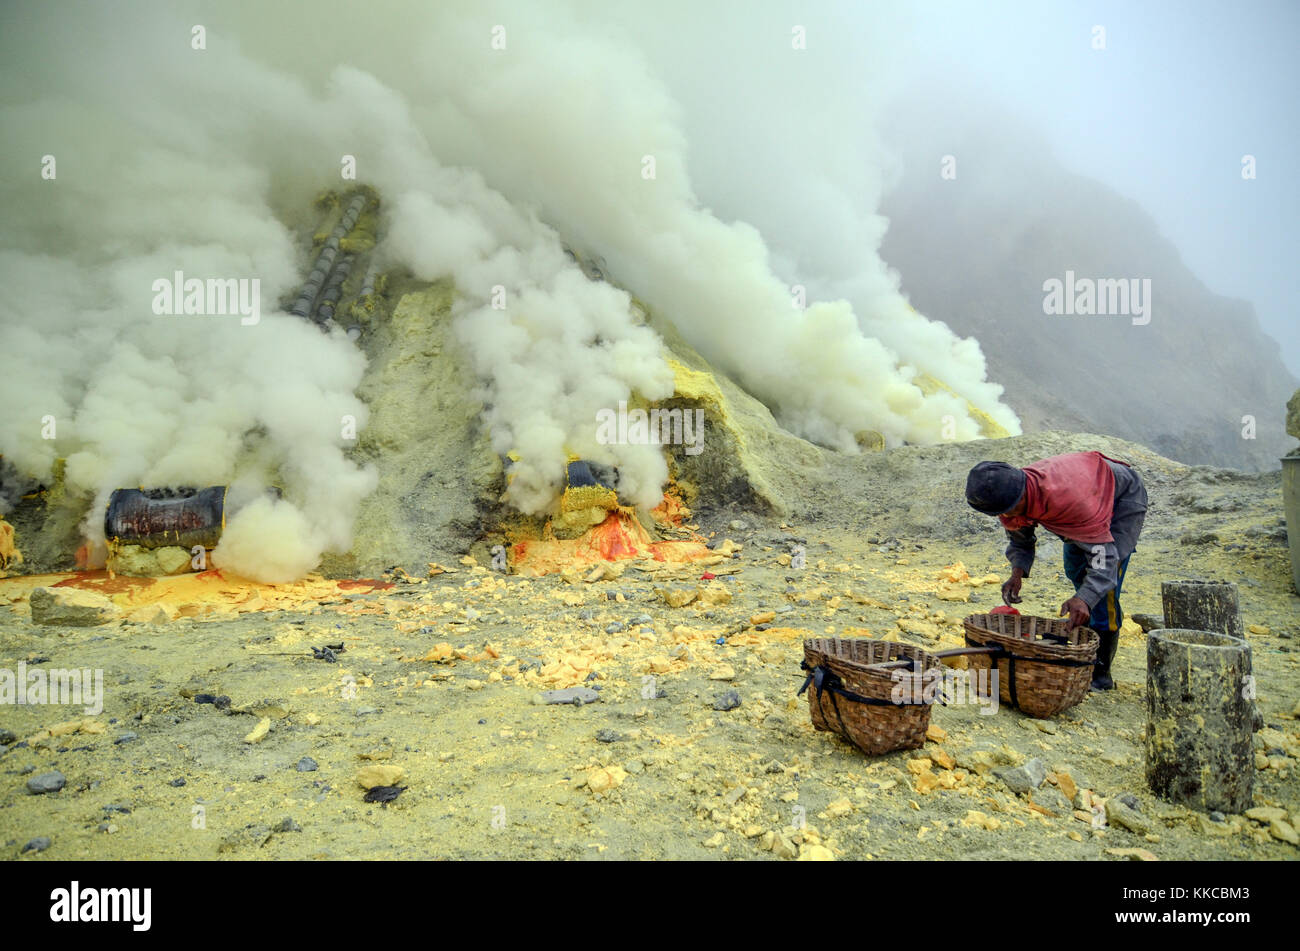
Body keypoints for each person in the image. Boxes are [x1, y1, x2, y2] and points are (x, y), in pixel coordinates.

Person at [964, 451, 1148, 690]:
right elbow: (1020, 537)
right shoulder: (1010, 496)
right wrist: (1017, 572)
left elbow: (1104, 559)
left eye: (1008, 510)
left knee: (1103, 591)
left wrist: (1084, 598)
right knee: (1075, 569)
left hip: (1121, 498)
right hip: (1084, 497)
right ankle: (1087, 632)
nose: (1005, 516)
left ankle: (1101, 673)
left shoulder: (1072, 502)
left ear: (1021, 497)